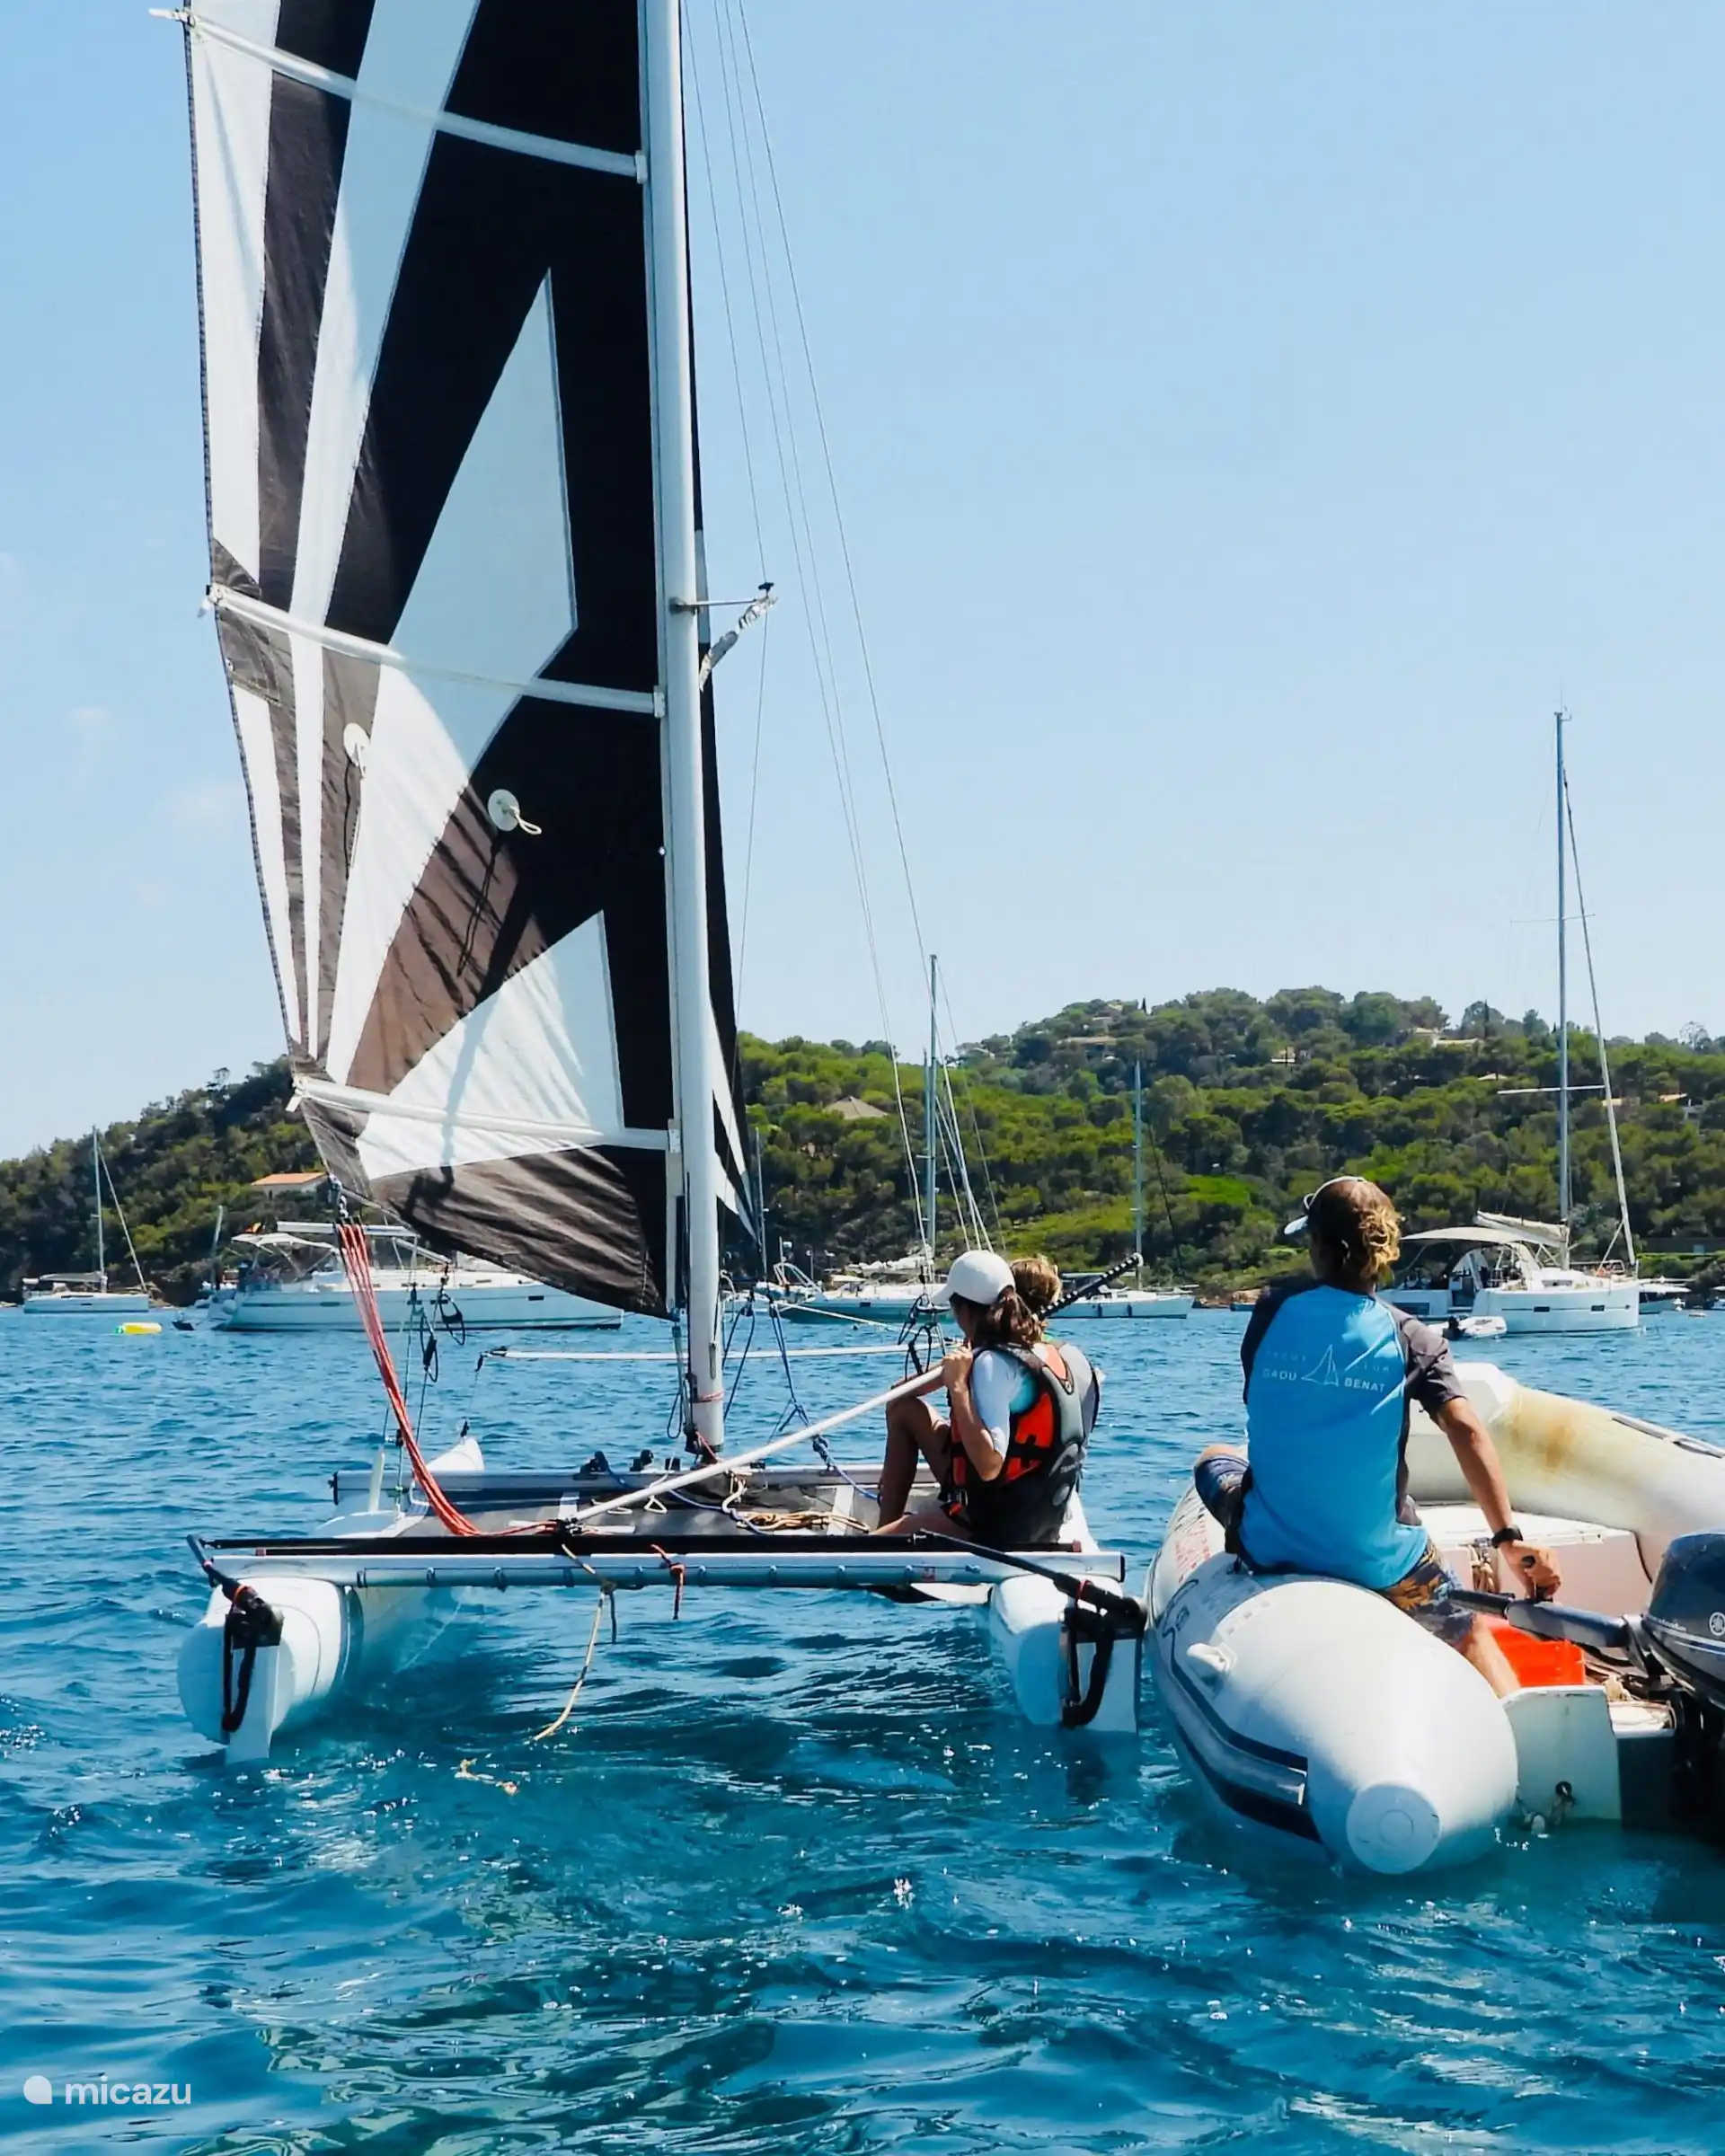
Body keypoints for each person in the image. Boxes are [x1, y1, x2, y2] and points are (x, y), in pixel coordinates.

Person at [1193, 1176, 1561, 1696]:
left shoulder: (1271, 1310)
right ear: (1384, 1250)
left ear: (1317, 1246)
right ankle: (1516, 1715)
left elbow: (1260, 1394)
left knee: (1214, 1457)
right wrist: (1507, 1539)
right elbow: (1465, 1429)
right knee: (1470, 1632)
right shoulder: (1413, 1338)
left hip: (1270, 1545)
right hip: (1379, 1559)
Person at [875, 1250, 1097, 1545]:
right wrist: (953, 1369)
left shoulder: (991, 1364)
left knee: (871, 1546)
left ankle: (882, 1539)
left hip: (995, 1523)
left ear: (964, 1311)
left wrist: (958, 1387)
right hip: (1040, 1512)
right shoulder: (1043, 1351)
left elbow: (989, 1466)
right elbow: (900, 1393)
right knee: (905, 1408)